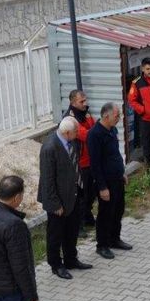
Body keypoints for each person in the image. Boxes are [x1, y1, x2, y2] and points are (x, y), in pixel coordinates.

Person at [38, 117, 93, 280]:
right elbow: (48, 179)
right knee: (55, 234)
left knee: (72, 229)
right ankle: (56, 264)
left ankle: (71, 259)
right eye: (77, 131)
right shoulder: (50, 148)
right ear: (67, 133)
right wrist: (55, 204)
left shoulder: (73, 142)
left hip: (73, 194)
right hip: (57, 200)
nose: (79, 134)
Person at [88, 102, 131, 260]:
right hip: (106, 182)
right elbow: (95, 164)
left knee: (118, 210)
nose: (119, 118)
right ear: (106, 116)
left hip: (117, 178)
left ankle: (114, 239)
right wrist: (102, 187)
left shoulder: (112, 130)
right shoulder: (95, 134)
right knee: (105, 213)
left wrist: (122, 172)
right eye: (116, 115)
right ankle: (102, 245)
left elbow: (116, 154)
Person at [64, 89, 97, 230]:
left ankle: (88, 217)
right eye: (81, 101)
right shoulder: (70, 119)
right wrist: (97, 132)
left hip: (90, 160)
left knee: (91, 192)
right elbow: (87, 136)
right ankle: (79, 224)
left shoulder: (86, 113)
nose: (85, 103)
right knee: (81, 195)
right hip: (79, 163)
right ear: (73, 102)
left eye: (85, 100)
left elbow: (94, 128)